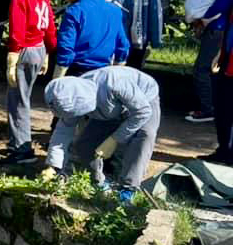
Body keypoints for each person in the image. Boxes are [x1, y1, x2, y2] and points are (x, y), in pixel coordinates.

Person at [43, 67, 160, 203]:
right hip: (108, 110)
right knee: (83, 146)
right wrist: (54, 166)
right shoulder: (68, 95)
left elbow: (143, 112)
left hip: (144, 101)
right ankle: (99, 181)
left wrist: (114, 139)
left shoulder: (114, 82)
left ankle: (128, 189)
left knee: (145, 135)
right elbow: (63, 131)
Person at [0, 0, 57, 164]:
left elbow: (16, 32)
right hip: (39, 49)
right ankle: (19, 143)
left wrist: (12, 59)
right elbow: (50, 29)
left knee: (17, 101)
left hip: (24, 50)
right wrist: (47, 53)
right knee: (24, 97)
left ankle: (21, 149)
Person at [53, 0, 130, 79]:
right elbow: (123, 45)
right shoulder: (115, 10)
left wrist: (56, 80)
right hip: (104, 74)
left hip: (78, 74)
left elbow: (66, 49)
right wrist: (117, 72)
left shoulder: (74, 12)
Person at [188, 0, 233, 164]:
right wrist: (220, 54)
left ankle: (227, 153)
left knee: (227, 110)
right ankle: (224, 150)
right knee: (224, 110)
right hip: (227, 61)